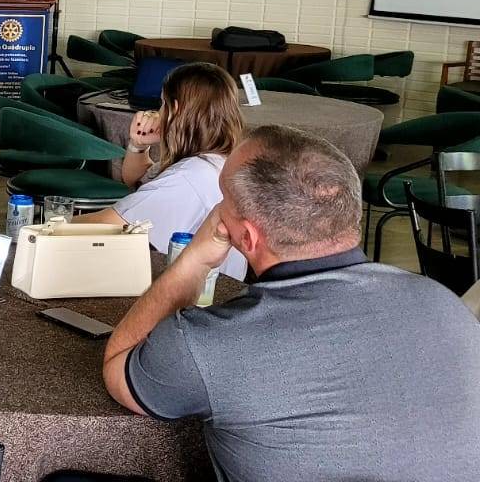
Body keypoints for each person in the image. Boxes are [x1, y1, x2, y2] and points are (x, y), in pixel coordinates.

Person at [102, 125, 480, 481]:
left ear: (247, 237)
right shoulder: (445, 305)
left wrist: (195, 260)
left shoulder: (206, 344)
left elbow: (118, 365)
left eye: (223, 201)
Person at [74, 62, 248, 279]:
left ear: (175, 109)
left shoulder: (187, 177)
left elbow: (107, 225)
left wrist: (46, 224)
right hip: (215, 283)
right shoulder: (218, 161)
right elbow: (136, 179)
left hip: (197, 290)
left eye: (162, 104)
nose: (158, 113)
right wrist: (138, 145)